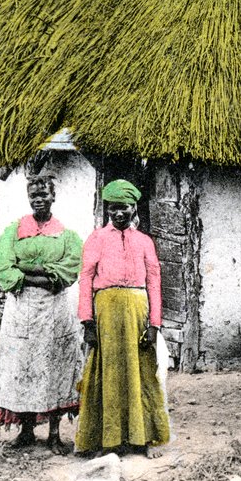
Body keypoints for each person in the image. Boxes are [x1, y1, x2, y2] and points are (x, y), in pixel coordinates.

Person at [74, 179, 170, 456]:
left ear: (133, 208)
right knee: (108, 373)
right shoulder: (96, 239)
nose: (119, 213)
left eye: (124, 208)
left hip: (137, 312)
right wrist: (87, 322)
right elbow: (86, 278)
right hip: (106, 312)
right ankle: (108, 441)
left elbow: (154, 281)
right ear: (107, 210)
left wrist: (154, 324)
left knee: (141, 373)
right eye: (114, 208)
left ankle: (144, 439)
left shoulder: (144, 241)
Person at [0, 175, 84, 454]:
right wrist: (45, 273)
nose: (39, 199)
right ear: (28, 197)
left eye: (44, 194)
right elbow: (5, 269)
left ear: (53, 196)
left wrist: (28, 271)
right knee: (23, 365)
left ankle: (55, 434)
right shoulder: (13, 231)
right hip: (21, 310)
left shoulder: (67, 236)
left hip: (56, 311)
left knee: (55, 367)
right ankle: (26, 431)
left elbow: (69, 270)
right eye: (33, 195)